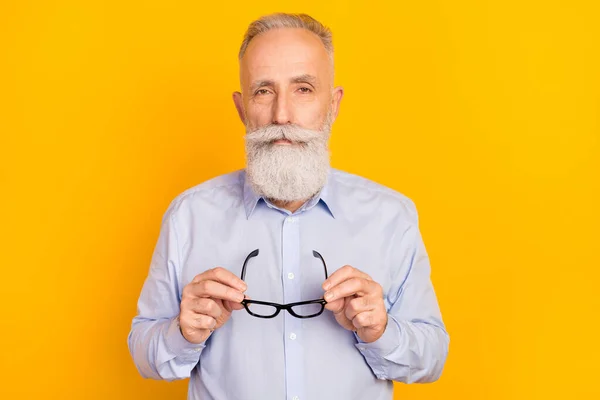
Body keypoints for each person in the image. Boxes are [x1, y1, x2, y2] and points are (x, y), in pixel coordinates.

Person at [127, 12, 449, 400]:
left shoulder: (390, 216)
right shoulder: (189, 216)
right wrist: (182, 332)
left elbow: (432, 357)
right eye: (263, 90)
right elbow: (144, 352)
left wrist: (381, 331)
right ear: (242, 107)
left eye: (303, 89)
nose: (282, 115)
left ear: (332, 104)